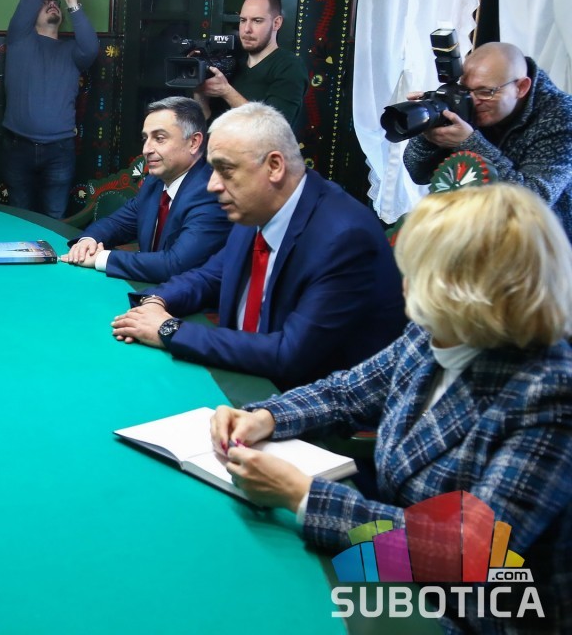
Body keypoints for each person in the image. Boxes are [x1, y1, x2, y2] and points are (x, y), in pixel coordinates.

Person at [210, 183, 572, 632]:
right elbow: (345, 392)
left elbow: (472, 553)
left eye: (418, 267)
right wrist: (266, 416)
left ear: (469, 287)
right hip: (396, 571)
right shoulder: (436, 332)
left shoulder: (552, 393)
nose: (403, 282)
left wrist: (300, 494)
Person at [111, 103, 405, 391]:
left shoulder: (344, 236)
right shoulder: (257, 206)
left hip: (306, 403)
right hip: (240, 379)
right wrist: (157, 301)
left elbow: (290, 354)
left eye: (226, 170)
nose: (212, 185)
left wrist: (169, 330)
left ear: (274, 166)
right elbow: (210, 276)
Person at [403, 41, 572, 240]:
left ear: (521, 87)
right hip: (468, 230)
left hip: (537, 242)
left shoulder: (561, 116)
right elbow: (418, 174)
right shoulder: (466, 100)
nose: (474, 101)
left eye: (485, 92)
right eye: (466, 90)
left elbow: (533, 203)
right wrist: (428, 132)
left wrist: (469, 142)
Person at [61, 97, 231, 283]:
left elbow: (175, 265)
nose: (146, 149)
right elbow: (118, 223)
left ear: (194, 142)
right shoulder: (154, 182)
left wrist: (101, 258)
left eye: (159, 138)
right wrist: (89, 240)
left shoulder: (211, 192)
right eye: (145, 138)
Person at [2, 0, 101, 219]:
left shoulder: (72, 52)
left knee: (54, 219)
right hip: (18, 146)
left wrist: (72, 1)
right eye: (44, 2)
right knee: (18, 219)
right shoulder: (20, 38)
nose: (51, 4)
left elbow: (91, 49)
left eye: (55, 2)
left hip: (60, 149)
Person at [198, 0, 308, 136]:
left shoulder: (290, 66)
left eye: (257, 21)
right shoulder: (231, 62)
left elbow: (274, 129)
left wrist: (227, 92)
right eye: (243, 20)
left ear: (276, 23)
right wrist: (199, 91)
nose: (247, 29)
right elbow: (208, 123)